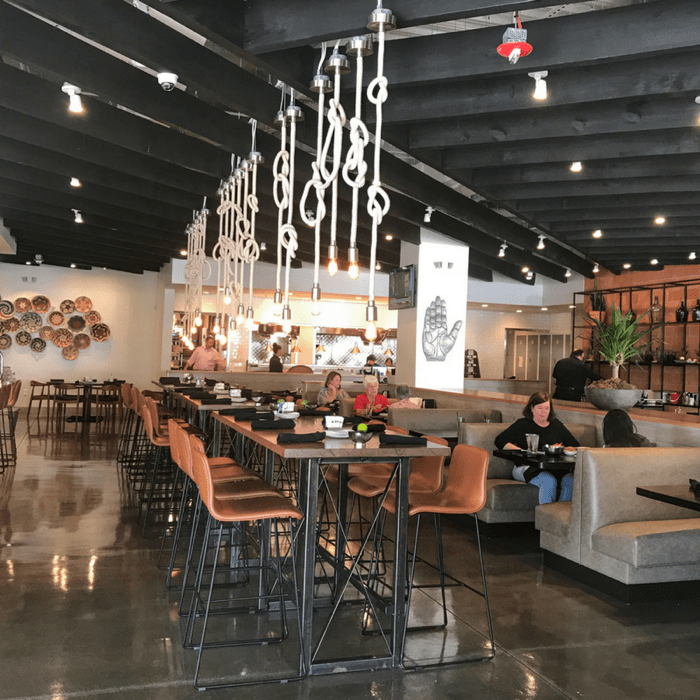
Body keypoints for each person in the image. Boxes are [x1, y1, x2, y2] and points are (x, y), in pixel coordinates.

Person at [494, 391, 579, 504]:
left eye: (547, 408)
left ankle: (560, 514)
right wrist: (520, 451)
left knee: (571, 480)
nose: (543, 412)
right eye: (540, 408)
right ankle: (545, 515)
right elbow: (500, 440)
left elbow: (575, 445)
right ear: (532, 408)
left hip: (553, 468)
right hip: (526, 467)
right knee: (548, 481)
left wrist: (562, 448)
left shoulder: (556, 425)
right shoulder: (523, 424)